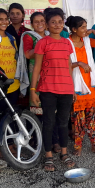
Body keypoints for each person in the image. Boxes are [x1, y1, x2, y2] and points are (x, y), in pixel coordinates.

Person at [30, 9, 76, 172]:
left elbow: (69, 66)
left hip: (66, 90)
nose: (57, 25)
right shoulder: (43, 42)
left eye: (60, 21)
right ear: (47, 25)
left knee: (63, 122)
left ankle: (64, 152)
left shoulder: (67, 42)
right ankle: (48, 155)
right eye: (53, 22)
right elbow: (37, 68)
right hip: (47, 89)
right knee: (49, 123)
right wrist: (33, 90)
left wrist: (73, 89)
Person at [66, 15, 95, 156]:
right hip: (76, 86)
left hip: (91, 85)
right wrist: (78, 63)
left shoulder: (87, 41)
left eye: (86, 26)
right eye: (83, 27)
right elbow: (64, 65)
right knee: (78, 120)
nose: (86, 29)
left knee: (94, 119)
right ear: (73, 29)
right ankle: (77, 146)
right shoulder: (67, 43)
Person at [16, 12, 47, 116]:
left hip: (50, 71)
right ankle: (35, 131)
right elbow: (28, 54)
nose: (40, 24)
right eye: (36, 22)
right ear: (32, 24)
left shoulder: (50, 35)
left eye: (42, 21)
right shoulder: (29, 36)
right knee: (37, 108)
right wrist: (45, 47)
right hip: (36, 73)